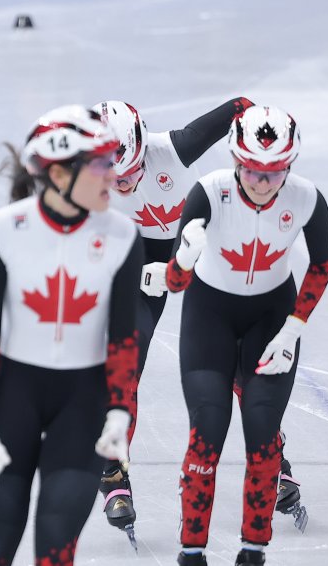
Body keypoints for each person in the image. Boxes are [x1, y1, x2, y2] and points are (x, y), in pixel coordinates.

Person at [0, 105, 143, 565]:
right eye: (102, 163)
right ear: (60, 173)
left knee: (56, 549)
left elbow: (124, 339)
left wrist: (120, 413)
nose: (114, 173)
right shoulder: (4, 230)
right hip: (12, 402)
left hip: (81, 407)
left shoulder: (124, 236)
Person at [165, 105, 328, 565]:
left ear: (290, 165)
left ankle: (252, 553)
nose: (262, 182)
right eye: (253, 170)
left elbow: (321, 264)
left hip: (271, 321)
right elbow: (176, 286)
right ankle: (192, 552)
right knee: (208, 432)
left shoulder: (306, 198)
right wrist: (182, 260)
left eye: (275, 171)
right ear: (236, 161)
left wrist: (293, 327)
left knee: (263, 435)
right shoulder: (208, 192)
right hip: (208, 318)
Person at [90, 98, 259, 532]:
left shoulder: (179, 148)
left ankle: (273, 456)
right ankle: (112, 472)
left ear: (143, 150)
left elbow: (243, 107)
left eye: (128, 176)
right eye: (114, 180)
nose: (122, 188)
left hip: (205, 244)